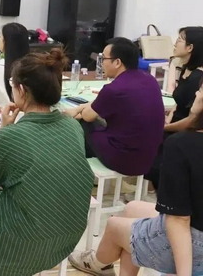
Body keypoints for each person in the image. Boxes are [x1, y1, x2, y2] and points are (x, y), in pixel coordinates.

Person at [0, 49, 94, 276]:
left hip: (19, 244)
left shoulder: (12, 136)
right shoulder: (72, 126)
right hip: (66, 237)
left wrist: (4, 129)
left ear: (22, 90)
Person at [69, 79, 203, 276]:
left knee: (115, 226)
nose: (196, 94)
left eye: (201, 90)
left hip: (194, 241)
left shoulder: (181, 145)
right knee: (132, 209)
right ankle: (104, 266)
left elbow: (179, 220)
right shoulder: (147, 83)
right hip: (194, 226)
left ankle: (98, 264)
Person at [66, 37, 165, 176]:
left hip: (124, 160)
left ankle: (79, 173)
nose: (101, 63)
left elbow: (88, 116)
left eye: (104, 59)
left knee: (81, 124)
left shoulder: (113, 89)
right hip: (148, 159)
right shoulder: (150, 80)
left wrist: (77, 110)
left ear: (117, 62)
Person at [146, 26, 203, 188]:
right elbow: (179, 102)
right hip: (174, 125)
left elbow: (192, 120)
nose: (175, 43)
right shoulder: (187, 69)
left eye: (179, 40)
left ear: (190, 48)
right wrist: (168, 118)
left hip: (185, 132)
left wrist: (166, 127)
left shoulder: (198, 78)